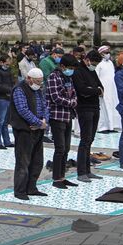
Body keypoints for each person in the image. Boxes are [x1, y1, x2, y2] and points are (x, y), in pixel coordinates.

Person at [9, 68, 49, 201]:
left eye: (40, 82)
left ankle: (31, 187)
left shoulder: (39, 90)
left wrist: (44, 121)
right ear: (29, 78)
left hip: (38, 129)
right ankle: (20, 190)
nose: (39, 84)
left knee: (37, 161)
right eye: (37, 81)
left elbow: (45, 106)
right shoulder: (19, 89)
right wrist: (38, 122)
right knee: (23, 162)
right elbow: (23, 110)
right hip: (24, 131)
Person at [45, 55, 78, 185]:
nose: (71, 70)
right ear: (62, 66)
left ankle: (62, 176)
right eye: (69, 68)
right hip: (57, 116)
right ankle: (56, 178)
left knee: (67, 148)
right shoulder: (54, 77)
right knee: (60, 148)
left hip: (68, 115)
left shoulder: (68, 77)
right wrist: (71, 102)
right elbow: (55, 97)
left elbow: (74, 93)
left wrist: (73, 101)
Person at [71, 50, 103, 181]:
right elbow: (82, 90)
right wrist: (95, 90)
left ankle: (88, 170)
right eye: (93, 63)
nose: (94, 65)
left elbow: (99, 86)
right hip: (84, 108)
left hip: (95, 107)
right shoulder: (78, 71)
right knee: (85, 140)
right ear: (87, 59)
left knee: (90, 139)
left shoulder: (92, 71)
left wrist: (94, 90)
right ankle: (81, 172)